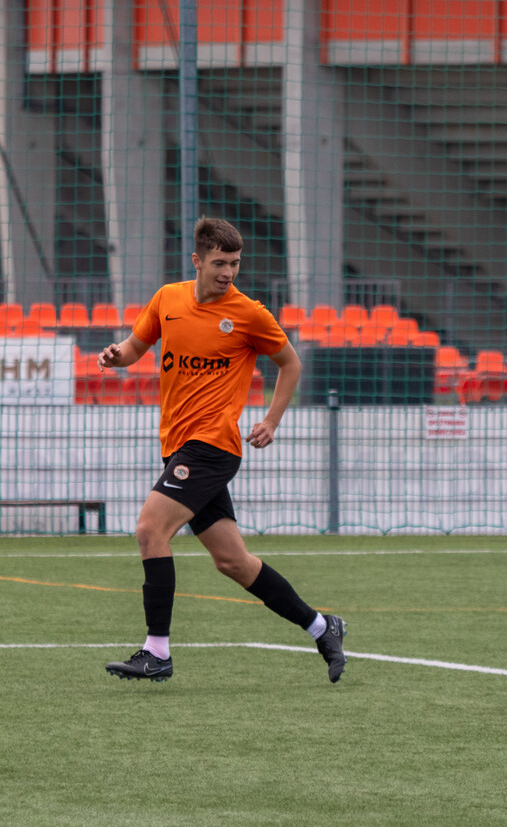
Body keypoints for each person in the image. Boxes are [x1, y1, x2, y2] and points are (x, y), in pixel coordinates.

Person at [99, 216, 347, 684]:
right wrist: (117, 357)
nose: (228, 272)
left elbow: (290, 364)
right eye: (219, 263)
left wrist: (271, 420)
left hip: (212, 447)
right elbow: (135, 347)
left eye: (234, 263)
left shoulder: (249, 313)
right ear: (197, 260)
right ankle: (322, 626)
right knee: (232, 561)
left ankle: (157, 653)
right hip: (177, 447)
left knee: (150, 530)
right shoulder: (168, 299)